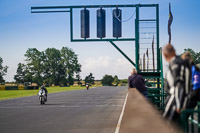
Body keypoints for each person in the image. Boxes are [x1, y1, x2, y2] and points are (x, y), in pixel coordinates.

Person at [162, 44, 190, 122]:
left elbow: (179, 85)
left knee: (166, 122)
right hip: (178, 97)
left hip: (175, 98)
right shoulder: (180, 62)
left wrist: (179, 104)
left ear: (164, 55)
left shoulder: (176, 63)